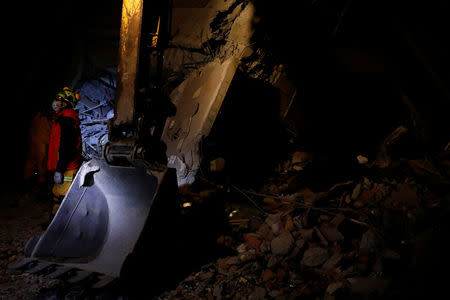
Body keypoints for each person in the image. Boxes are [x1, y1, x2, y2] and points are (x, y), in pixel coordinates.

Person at [47, 87, 82, 220]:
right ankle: (55, 225)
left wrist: (60, 170)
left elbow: (66, 146)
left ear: (66, 104)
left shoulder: (66, 119)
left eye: (60, 101)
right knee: (58, 194)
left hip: (66, 167)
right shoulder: (63, 118)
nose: (56, 103)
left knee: (63, 198)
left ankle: (62, 227)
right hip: (62, 165)